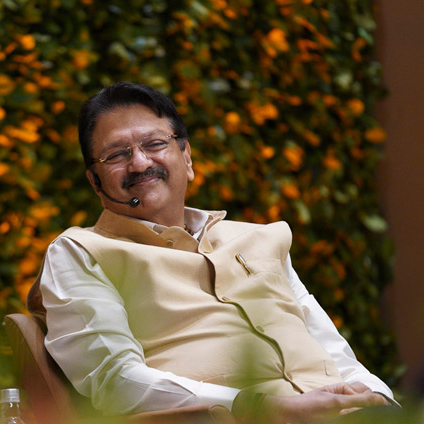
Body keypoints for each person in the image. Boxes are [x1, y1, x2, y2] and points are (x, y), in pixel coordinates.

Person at [27, 82, 395, 423]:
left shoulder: (260, 239)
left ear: (186, 158)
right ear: (95, 181)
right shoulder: (80, 252)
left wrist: (382, 401)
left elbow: (334, 350)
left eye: (154, 144)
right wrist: (257, 408)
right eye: (117, 155)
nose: (139, 162)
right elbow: (115, 379)